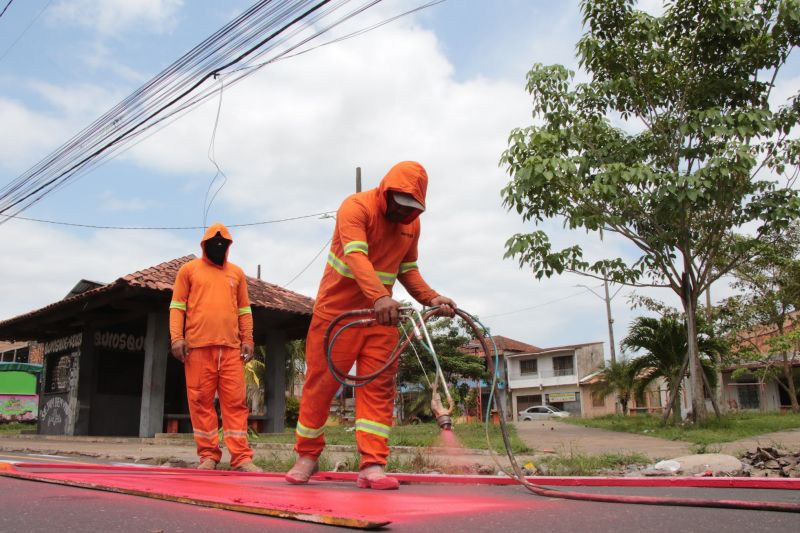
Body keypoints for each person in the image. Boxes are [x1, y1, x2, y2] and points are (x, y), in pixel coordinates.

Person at [286, 161, 456, 490]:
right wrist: (379, 296)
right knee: (320, 387)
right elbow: (356, 256)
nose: (405, 214)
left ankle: (372, 465)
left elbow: (408, 269)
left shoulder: (412, 224)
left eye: (413, 209)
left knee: (378, 389)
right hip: (337, 315)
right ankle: (307, 456)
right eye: (400, 206)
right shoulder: (356, 207)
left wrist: (432, 298)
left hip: (382, 318)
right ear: (386, 192)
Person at [169, 223, 262, 473]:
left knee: (236, 404)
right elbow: (177, 306)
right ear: (204, 244)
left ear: (229, 246)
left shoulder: (237, 274)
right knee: (200, 402)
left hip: (231, 350)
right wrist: (177, 338)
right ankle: (208, 456)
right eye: (214, 242)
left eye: (224, 243)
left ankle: (241, 458)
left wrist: (248, 339)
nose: (219, 246)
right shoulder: (188, 271)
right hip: (197, 349)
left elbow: (244, 309)